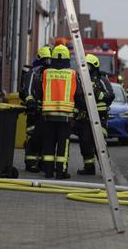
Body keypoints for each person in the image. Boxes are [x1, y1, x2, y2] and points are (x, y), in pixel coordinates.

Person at [34, 45, 83, 179]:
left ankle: (48, 172)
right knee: (63, 144)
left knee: (48, 143)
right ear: (67, 58)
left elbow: (38, 92)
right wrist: (78, 110)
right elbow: (79, 95)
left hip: (48, 116)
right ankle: (60, 172)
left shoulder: (46, 73)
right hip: (65, 117)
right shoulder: (73, 74)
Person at [75, 54, 115, 175]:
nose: (86, 68)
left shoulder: (102, 79)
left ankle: (106, 169)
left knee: (100, 143)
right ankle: (89, 167)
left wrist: (98, 93)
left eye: (88, 66)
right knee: (85, 143)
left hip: (100, 117)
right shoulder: (80, 79)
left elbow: (110, 95)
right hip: (85, 117)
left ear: (94, 66)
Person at [20, 46, 52, 172]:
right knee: (33, 137)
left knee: (46, 137)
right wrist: (30, 101)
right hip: (35, 110)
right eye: (45, 60)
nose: (47, 63)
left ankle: (42, 162)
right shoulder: (33, 72)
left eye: (49, 60)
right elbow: (27, 89)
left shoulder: (50, 73)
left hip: (47, 110)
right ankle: (31, 162)